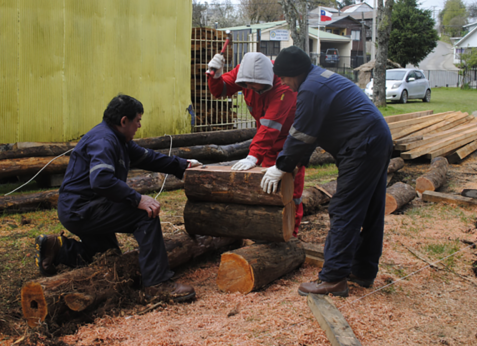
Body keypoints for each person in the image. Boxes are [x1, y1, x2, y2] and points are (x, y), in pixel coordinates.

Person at [35, 94, 202, 302]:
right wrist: (138, 199)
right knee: (145, 216)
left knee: (107, 257)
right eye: (138, 120)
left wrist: (182, 165)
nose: (139, 125)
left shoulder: (118, 139)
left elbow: (148, 157)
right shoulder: (105, 141)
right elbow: (101, 180)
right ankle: (157, 284)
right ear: (124, 121)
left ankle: (57, 249)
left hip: (80, 208)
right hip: (83, 209)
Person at [260, 46, 393, 297]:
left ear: (295, 73)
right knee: (370, 209)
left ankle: (333, 279)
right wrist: (294, 163)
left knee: (345, 209)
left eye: (285, 78)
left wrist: (281, 167)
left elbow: (300, 135)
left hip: (363, 144)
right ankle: (362, 271)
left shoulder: (311, 89)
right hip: (376, 139)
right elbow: (313, 133)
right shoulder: (319, 79)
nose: (284, 84)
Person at [207, 52, 306, 234]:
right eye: (247, 85)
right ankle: (268, 231)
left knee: (291, 191)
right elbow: (219, 91)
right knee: (266, 189)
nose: (250, 88)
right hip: (266, 144)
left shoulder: (284, 86)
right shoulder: (243, 73)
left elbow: (270, 126)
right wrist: (216, 76)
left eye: (256, 86)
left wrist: (252, 157)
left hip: (290, 143)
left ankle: (291, 235)